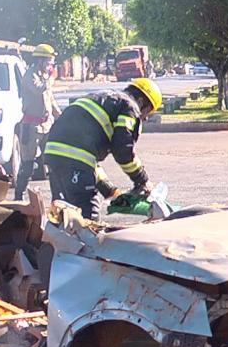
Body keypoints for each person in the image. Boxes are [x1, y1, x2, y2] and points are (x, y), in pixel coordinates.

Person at [43, 77, 163, 220]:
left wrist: (109, 190)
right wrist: (142, 180)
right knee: (87, 214)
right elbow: (123, 151)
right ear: (141, 102)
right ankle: (85, 235)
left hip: (53, 154)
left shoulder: (106, 99)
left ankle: (56, 234)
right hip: (74, 158)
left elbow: (87, 160)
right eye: (148, 111)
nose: (145, 118)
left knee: (62, 211)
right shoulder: (129, 107)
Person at [14, 43, 61, 201]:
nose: (50, 65)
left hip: (46, 125)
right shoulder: (30, 75)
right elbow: (38, 89)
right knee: (28, 164)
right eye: (48, 62)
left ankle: (57, 198)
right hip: (31, 127)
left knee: (53, 162)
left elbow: (50, 99)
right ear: (40, 61)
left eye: (51, 62)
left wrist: (60, 116)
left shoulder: (45, 76)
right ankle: (18, 195)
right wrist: (51, 79)